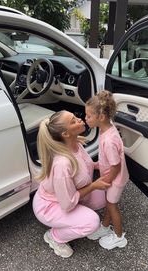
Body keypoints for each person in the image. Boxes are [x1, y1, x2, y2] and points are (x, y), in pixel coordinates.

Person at [32, 110, 110, 258]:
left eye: (76, 117)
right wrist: (93, 186)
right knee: (92, 222)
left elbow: (83, 166)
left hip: (70, 195)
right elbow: (67, 204)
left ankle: (75, 218)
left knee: (104, 197)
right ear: (66, 134)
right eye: (74, 121)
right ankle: (55, 236)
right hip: (51, 206)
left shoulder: (75, 143)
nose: (80, 119)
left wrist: (97, 165)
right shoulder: (62, 163)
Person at [85, 90, 129, 250]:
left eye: (89, 116)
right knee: (110, 204)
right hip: (113, 175)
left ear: (101, 117)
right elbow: (109, 160)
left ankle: (119, 236)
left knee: (112, 206)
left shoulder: (109, 140)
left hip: (115, 179)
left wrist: (108, 181)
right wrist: (98, 164)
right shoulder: (107, 130)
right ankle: (105, 226)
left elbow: (116, 165)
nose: (85, 118)